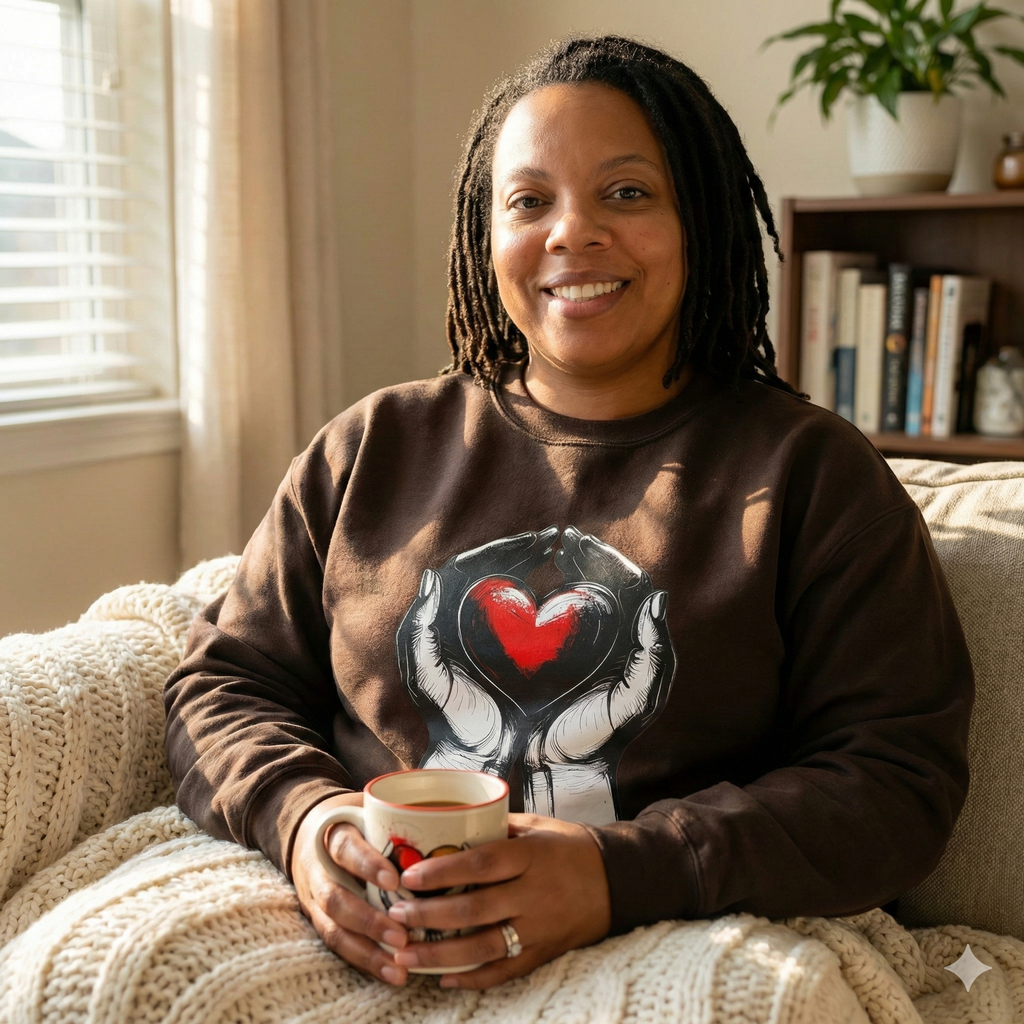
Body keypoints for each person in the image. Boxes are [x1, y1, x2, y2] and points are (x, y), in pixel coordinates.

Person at [164, 35, 973, 992]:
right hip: (348, 932)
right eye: (529, 201)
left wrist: (615, 873)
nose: (571, 233)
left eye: (627, 193)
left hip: (666, 942)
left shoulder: (814, 475)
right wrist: (304, 821)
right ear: (485, 233)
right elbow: (224, 682)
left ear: (700, 221)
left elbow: (893, 780)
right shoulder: (373, 446)